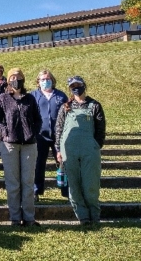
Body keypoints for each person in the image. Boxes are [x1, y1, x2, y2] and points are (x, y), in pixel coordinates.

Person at [55, 76, 106, 225]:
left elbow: (100, 129)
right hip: (68, 151)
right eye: (73, 86)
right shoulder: (65, 107)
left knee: (91, 184)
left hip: (89, 150)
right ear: (70, 89)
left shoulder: (95, 105)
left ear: (84, 86)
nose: (76, 88)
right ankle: (83, 216)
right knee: (74, 185)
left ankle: (94, 215)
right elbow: (58, 129)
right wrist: (58, 149)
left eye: (78, 85)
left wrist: (95, 145)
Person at [0, 68, 42, 226]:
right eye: (12, 77)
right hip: (10, 145)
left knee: (27, 182)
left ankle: (29, 218)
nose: (16, 79)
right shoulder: (2, 98)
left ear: (23, 79)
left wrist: (33, 133)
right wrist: (5, 133)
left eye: (18, 76)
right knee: (12, 183)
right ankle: (15, 217)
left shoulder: (30, 99)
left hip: (29, 145)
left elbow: (38, 119)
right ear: (8, 80)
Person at [31, 70, 68, 201]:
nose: (45, 81)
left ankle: (66, 190)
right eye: (42, 79)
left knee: (62, 163)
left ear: (52, 80)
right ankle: (36, 190)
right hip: (40, 136)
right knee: (38, 164)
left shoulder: (61, 96)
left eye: (48, 79)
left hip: (58, 136)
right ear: (38, 82)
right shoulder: (33, 95)